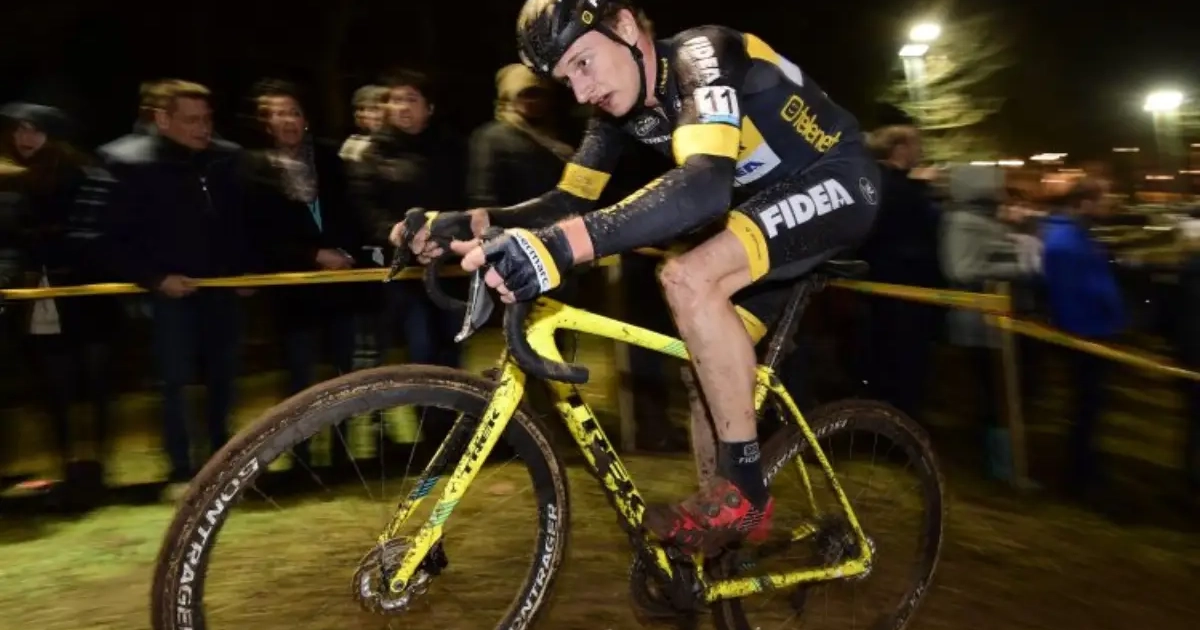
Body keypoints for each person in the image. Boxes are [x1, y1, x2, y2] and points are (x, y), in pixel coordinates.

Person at [394, 0, 879, 553]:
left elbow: (703, 186)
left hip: (838, 180)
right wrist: (470, 222)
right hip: (764, 213)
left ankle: (745, 493)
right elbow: (568, 200)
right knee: (705, 369)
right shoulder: (618, 112)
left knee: (686, 277)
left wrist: (560, 248)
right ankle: (724, 526)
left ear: (625, 26)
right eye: (566, 79)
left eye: (583, 63)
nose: (581, 92)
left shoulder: (702, 55)